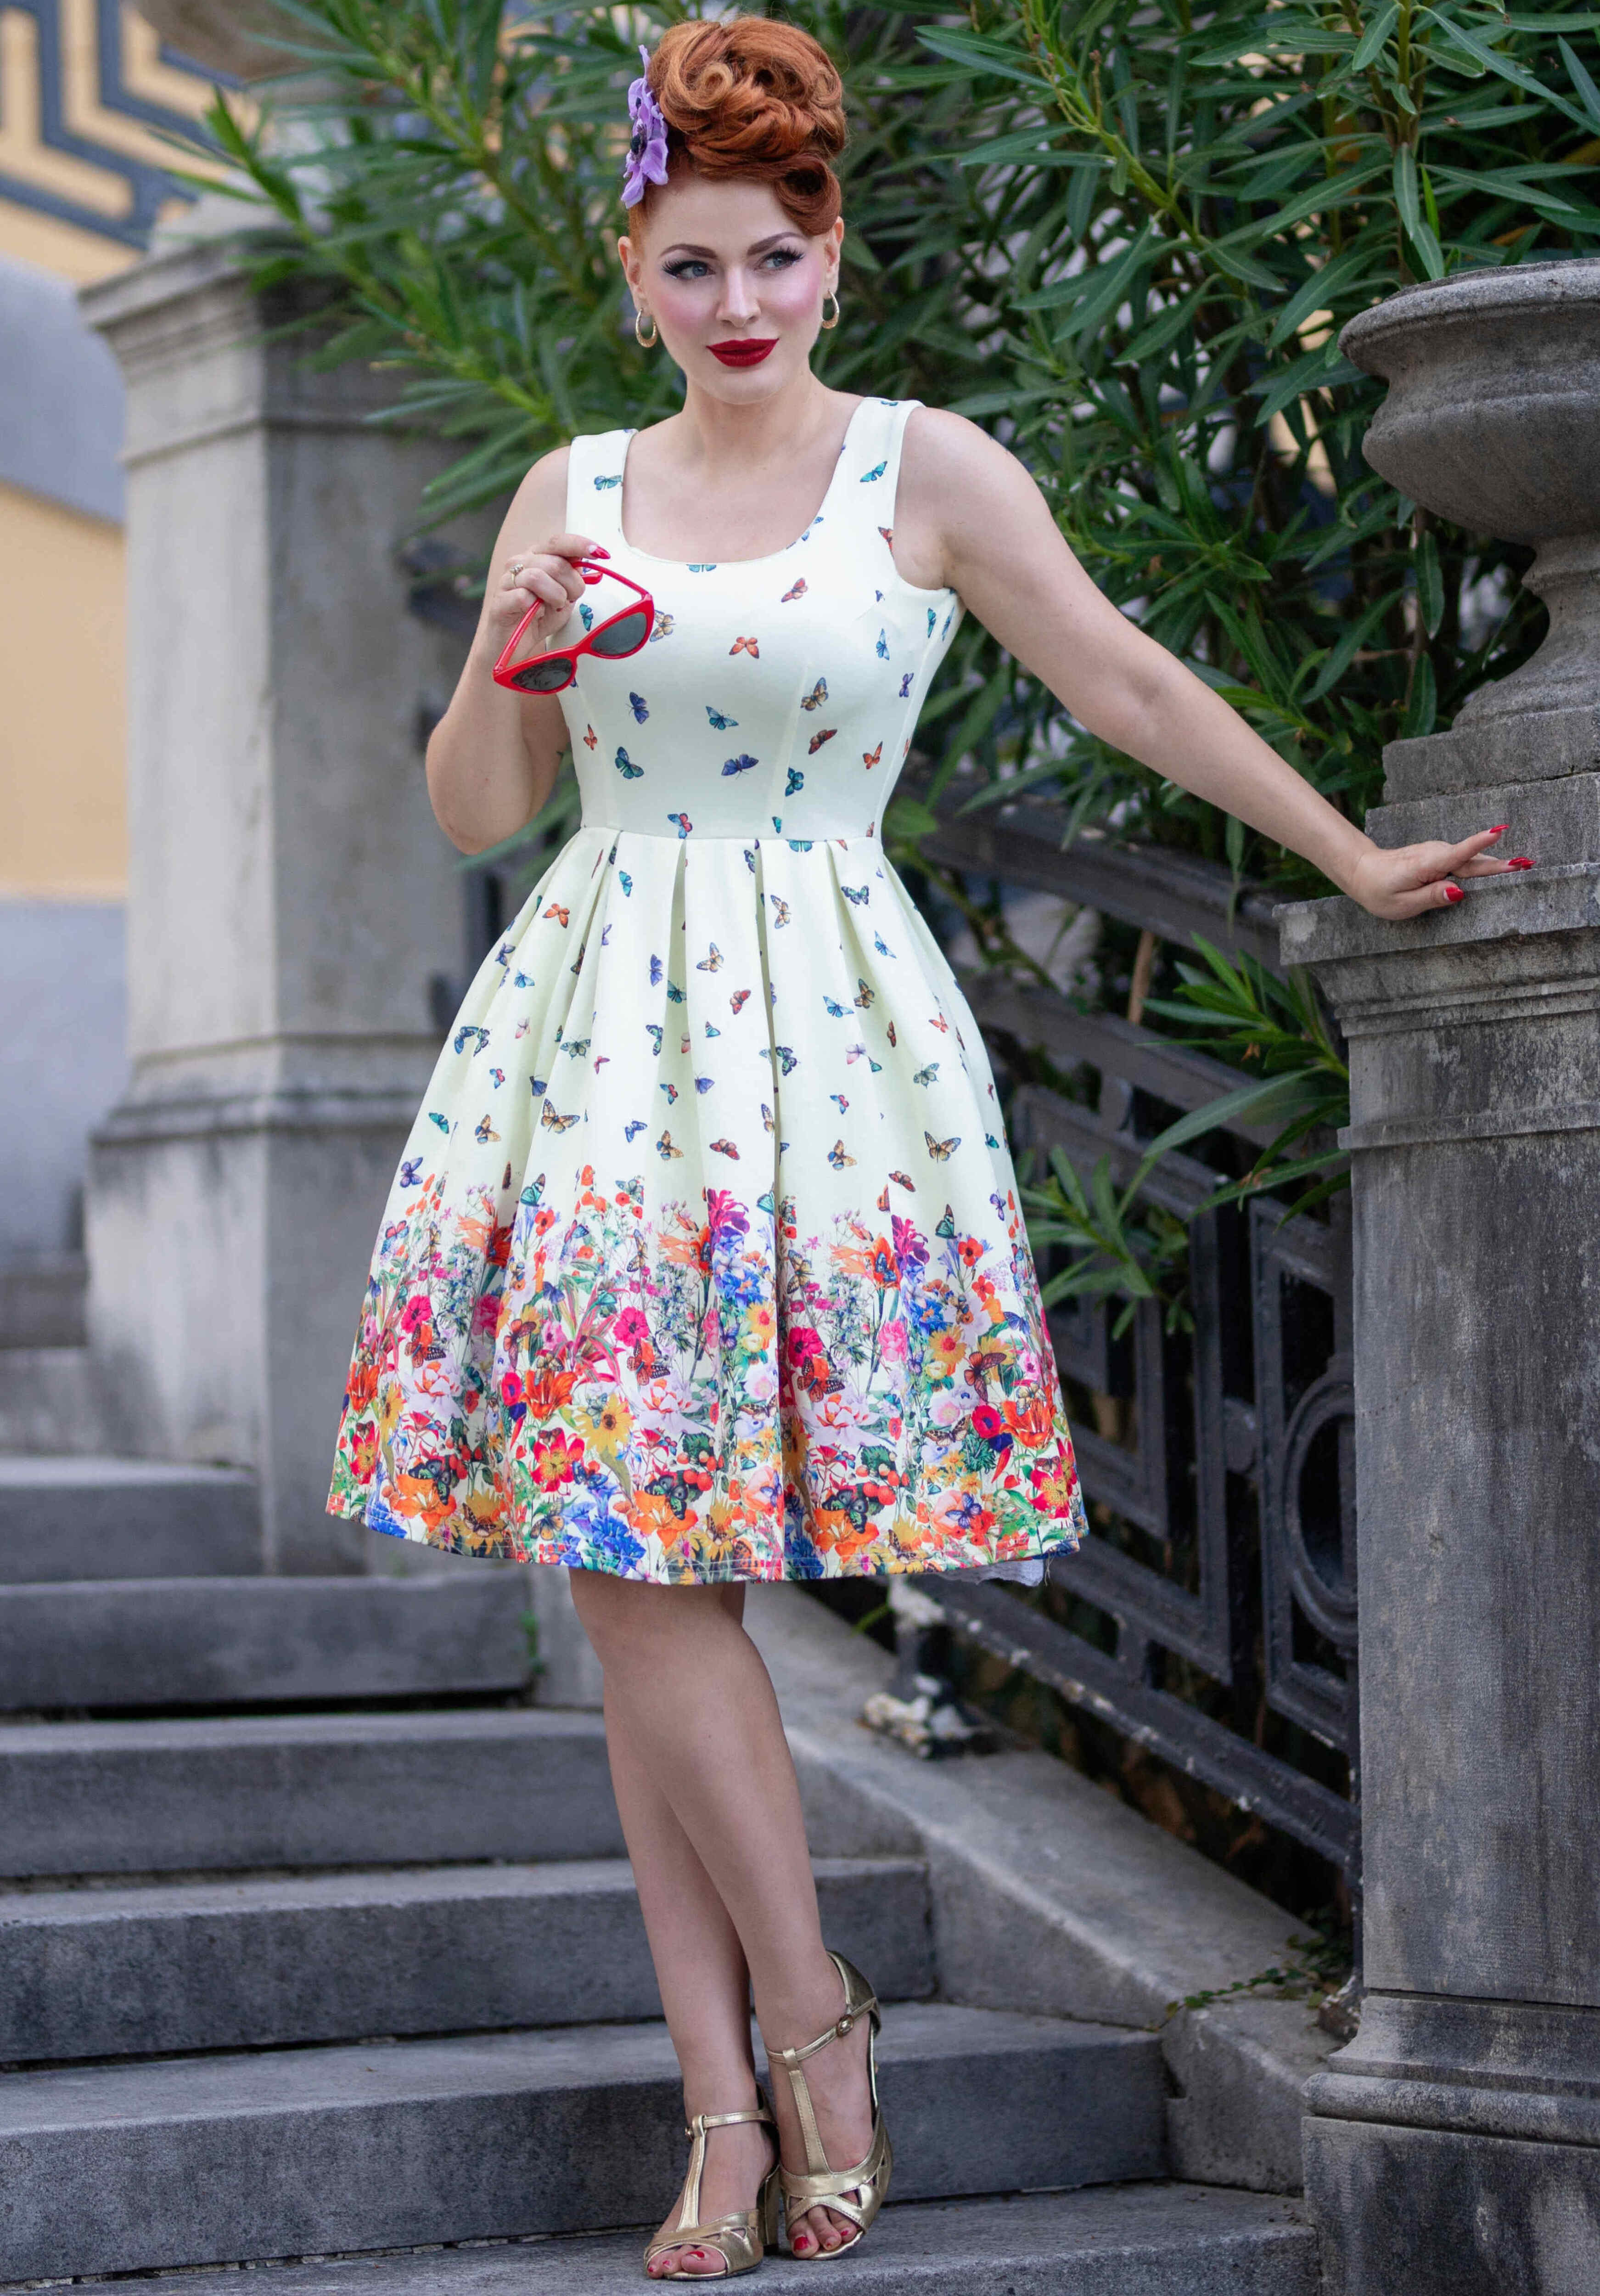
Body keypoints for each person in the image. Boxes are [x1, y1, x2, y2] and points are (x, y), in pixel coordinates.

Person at [327, 17, 1527, 2279]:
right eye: (693, 265)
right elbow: (480, 810)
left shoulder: (922, 469)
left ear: (832, 257)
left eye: (774, 256)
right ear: (630, 274)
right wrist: (503, 655)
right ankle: (775, 2059)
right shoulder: (571, 491)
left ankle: (764, 2070)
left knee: (663, 1579)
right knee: (625, 1570)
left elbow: (1124, 680)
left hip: (828, 1052)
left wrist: (1350, 855)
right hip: (591, 1054)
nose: (739, 303)